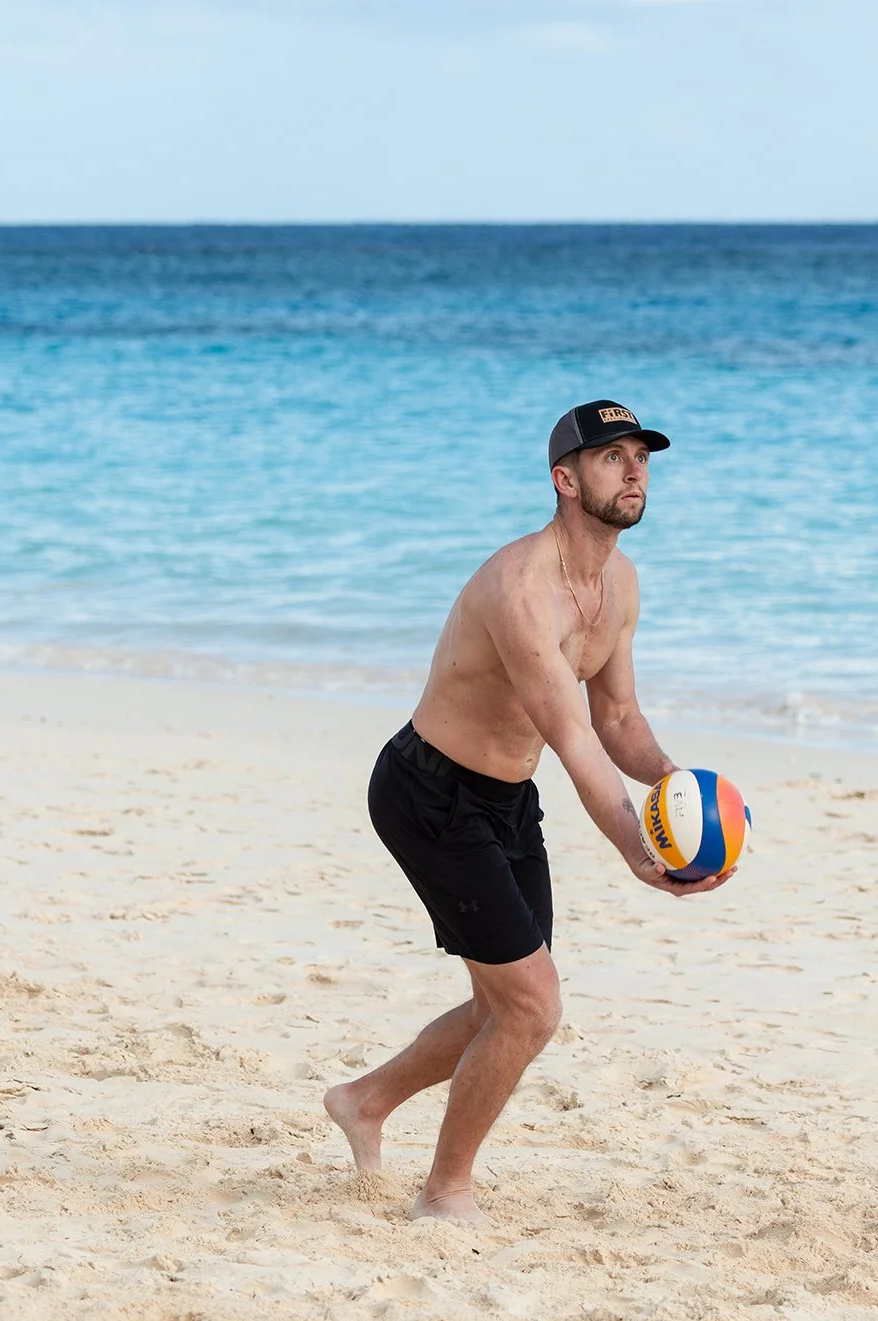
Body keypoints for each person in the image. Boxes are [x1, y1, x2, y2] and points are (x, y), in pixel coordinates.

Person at [323, 400, 733, 1224]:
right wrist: (635, 848)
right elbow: (573, 738)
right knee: (533, 1006)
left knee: (499, 1005)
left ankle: (364, 1101)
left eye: (642, 457)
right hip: (428, 792)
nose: (635, 470)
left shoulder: (619, 583)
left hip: (507, 798)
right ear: (565, 479)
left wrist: (684, 788)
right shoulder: (521, 589)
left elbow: (618, 720)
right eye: (612, 457)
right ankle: (445, 1193)